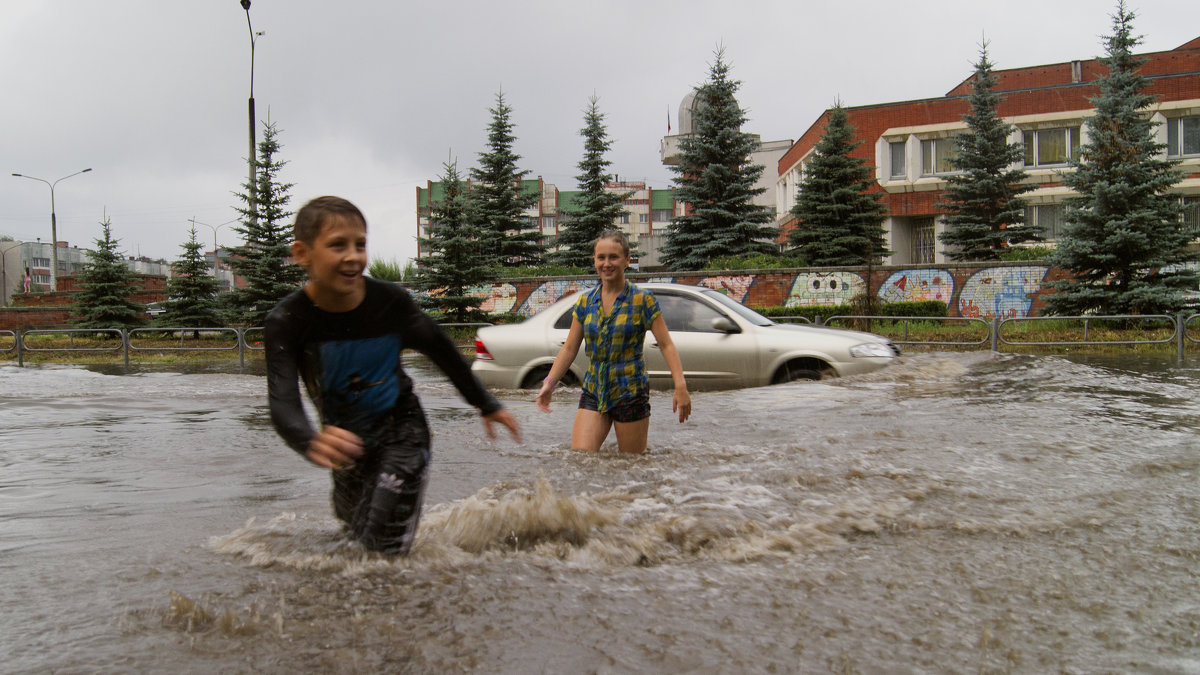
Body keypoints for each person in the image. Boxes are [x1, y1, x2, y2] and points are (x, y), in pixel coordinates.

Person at [264, 196, 521, 554]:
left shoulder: (390, 303)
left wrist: (485, 402)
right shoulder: (287, 321)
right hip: (348, 447)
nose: (353, 256)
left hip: (404, 435)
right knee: (352, 541)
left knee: (379, 551)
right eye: (338, 245)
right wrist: (306, 438)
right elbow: (282, 399)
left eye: (360, 244)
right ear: (302, 253)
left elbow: (441, 350)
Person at [536, 231, 690, 453]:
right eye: (601, 257)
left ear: (627, 260)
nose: (606, 263)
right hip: (594, 390)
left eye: (613, 257)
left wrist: (680, 386)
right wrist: (549, 383)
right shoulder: (585, 302)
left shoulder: (642, 300)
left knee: (631, 466)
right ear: (594, 260)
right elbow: (569, 349)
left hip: (631, 393)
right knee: (581, 458)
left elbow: (666, 344)